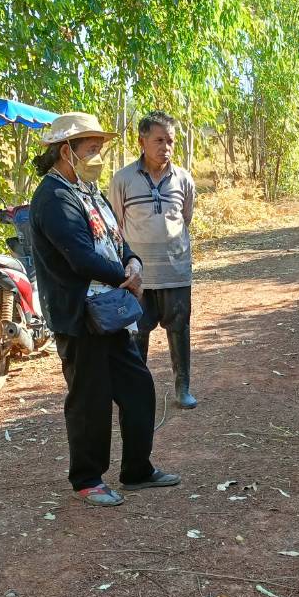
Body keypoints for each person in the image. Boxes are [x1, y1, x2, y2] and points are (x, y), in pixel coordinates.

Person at [29, 112, 180, 507]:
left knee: (138, 388)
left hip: (109, 312)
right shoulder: (53, 197)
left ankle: (137, 469)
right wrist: (126, 277)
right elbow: (79, 257)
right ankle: (86, 478)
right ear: (67, 152)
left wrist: (132, 261)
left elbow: (116, 237)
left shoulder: (89, 191)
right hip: (80, 317)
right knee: (89, 399)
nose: (98, 156)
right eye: (92, 149)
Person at [109, 111, 200, 408]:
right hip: (138, 277)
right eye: (159, 140)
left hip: (175, 271)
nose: (166, 147)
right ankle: (138, 393)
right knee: (137, 335)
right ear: (141, 141)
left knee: (179, 330)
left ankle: (182, 388)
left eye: (170, 141)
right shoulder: (122, 180)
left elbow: (185, 218)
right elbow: (116, 225)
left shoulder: (184, 179)